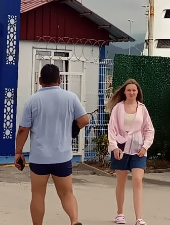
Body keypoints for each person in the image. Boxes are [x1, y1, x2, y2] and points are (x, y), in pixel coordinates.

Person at [15, 64, 89, 225]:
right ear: (59, 80)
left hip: (39, 157)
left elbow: (23, 130)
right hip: (62, 156)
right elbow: (84, 120)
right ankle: (74, 221)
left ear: (40, 80)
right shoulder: (70, 97)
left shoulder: (32, 101)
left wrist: (18, 152)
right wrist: (72, 129)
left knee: (38, 195)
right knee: (67, 193)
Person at [106, 79, 155, 225]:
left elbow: (149, 130)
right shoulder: (117, 108)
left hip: (138, 150)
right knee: (121, 182)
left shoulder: (142, 109)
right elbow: (112, 129)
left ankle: (139, 217)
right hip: (120, 148)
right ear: (124, 92)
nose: (132, 92)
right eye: (129, 90)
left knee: (137, 180)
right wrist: (114, 147)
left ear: (138, 92)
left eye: (134, 90)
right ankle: (120, 213)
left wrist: (145, 146)